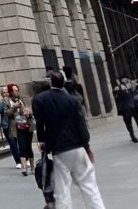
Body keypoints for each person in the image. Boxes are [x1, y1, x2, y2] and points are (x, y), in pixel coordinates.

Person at [32, 70, 105, 209]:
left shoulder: (41, 99)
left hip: (58, 149)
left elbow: (40, 123)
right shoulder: (73, 100)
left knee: (62, 189)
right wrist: (87, 146)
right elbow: (81, 126)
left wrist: (42, 142)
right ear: (63, 82)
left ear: (51, 82)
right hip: (77, 146)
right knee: (89, 185)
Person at [2, 83, 35, 176]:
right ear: (11, 92)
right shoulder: (7, 101)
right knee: (21, 146)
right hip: (17, 126)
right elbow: (6, 113)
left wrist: (26, 111)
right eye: (15, 90)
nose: (17, 92)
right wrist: (14, 107)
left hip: (27, 125)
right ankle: (23, 168)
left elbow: (28, 109)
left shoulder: (22, 99)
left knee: (28, 146)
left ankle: (33, 167)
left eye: (17, 90)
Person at [0, 89, 20, 166]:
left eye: (7, 92)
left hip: (16, 124)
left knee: (19, 142)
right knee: (13, 144)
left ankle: (24, 159)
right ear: (2, 94)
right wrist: (3, 102)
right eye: (4, 93)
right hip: (7, 125)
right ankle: (18, 161)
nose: (6, 94)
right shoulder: (0, 102)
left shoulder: (13, 100)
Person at [112, 76, 138, 143]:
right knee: (128, 123)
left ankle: (133, 134)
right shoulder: (118, 88)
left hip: (130, 107)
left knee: (131, 122)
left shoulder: (130, 85)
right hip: (127, 108)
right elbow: (116, 97)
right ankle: (132, 135)